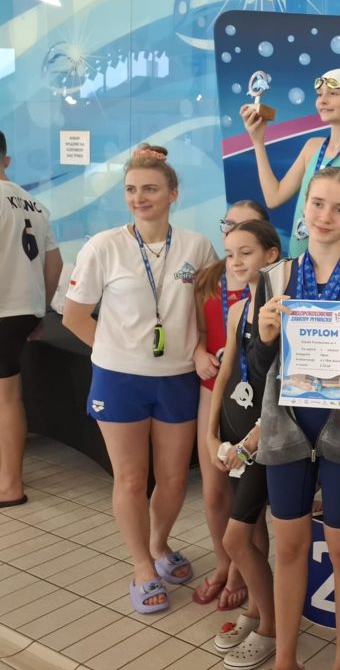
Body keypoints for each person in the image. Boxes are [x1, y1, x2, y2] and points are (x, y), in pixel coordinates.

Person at [247, 166, 340, 670]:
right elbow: (259, 369)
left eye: (339, 208)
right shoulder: (275, 277)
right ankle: (285, 659)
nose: (325, 216)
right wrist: (264, 336)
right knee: (289, 547)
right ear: (305, 207)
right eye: (317, 203)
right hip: (287, 426)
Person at [63, 151, 218, 614]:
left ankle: (159, 543)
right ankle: (142, 566)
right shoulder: (104, 246)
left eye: (150, 189)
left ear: (173, 194)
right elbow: (74, 316)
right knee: (131, 479)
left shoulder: (196, 247)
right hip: (119, 380)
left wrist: (198, 349)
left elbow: (206, 314)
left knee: (173, 478)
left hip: (177, 379)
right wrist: (117, 353)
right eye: (131, 189)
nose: (139, 197)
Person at [204, 219, 282, 668]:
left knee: (235, 538)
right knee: (251, 533)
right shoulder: (238, 311)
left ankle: (271, 627)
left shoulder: (281, 312)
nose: (234, 261)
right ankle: (254, 610)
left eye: (245, 252)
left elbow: (280, 391)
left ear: (271, 255)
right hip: (233, 440)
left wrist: (248, 444)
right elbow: (225, 377)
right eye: (230, 253)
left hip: (261, 443)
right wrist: (211, 433)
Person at [191, 199, 271, 611]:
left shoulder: (278, 298)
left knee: (248, 515)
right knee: (218, 494)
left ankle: (250, 591)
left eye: (246, 237)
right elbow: (205, 341)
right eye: (229, 227)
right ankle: (228, 569)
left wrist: (251, 440)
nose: (236, 255)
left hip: (261, 421)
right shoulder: (215, 283)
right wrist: (199, 351)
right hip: (225, 403)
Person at [240, 68, 340, 257]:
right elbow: (273, 197)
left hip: (335, 270)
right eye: (319, 94)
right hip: (297, 262)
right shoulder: (312, 147)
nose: (322, 101)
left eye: (333, 93)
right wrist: (258, 141)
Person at [0, 131, 63, 508]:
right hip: (22, 311)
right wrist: (38, 308)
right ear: (6, 160)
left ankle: (10, 486)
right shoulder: (35, 205)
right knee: (7, 396)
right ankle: (9, 481)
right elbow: (54, 263)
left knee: (5, 397)